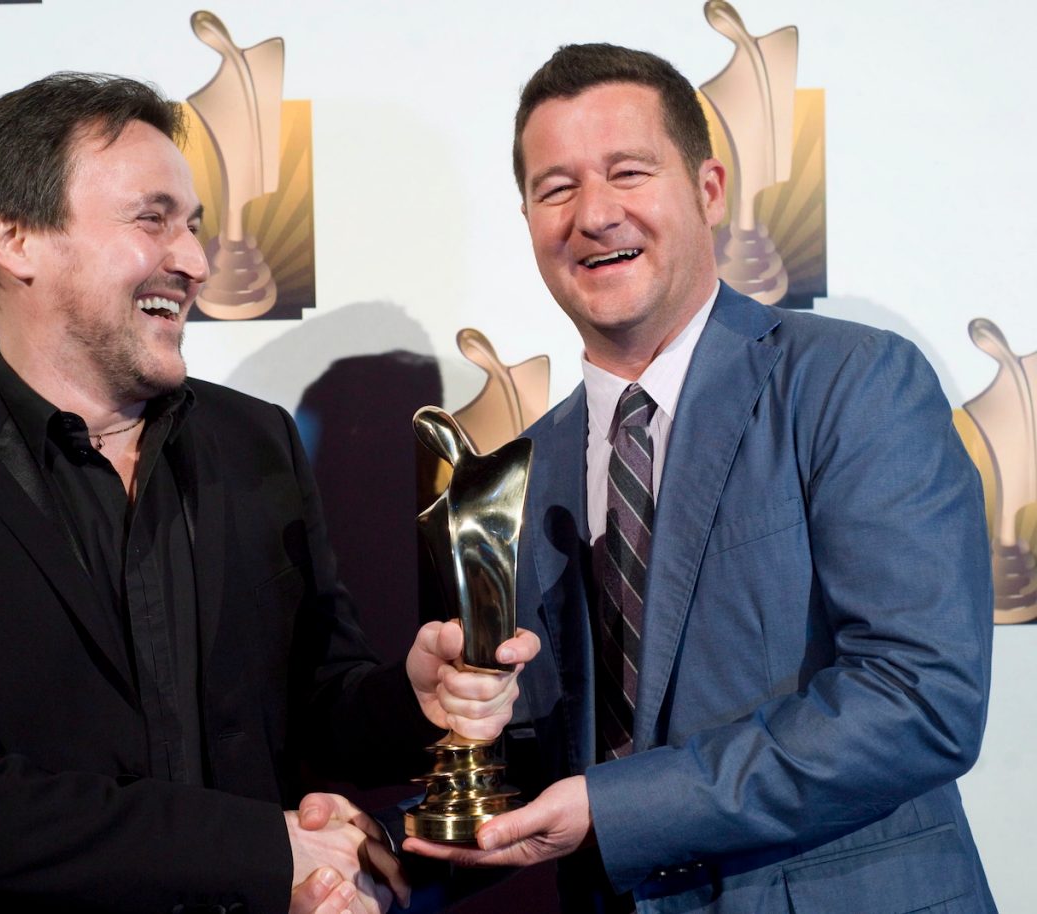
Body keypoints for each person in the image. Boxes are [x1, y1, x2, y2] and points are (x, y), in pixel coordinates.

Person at [0, 72, 538, 914]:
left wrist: (413, 696)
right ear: (14, 238)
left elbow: (320, 703)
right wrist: (261, 850)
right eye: (152, 220)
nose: (192, 262)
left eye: (193, 227)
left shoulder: (256, 442)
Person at [405, 43, 997, 913]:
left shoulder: (852, 382)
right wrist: (460, 713)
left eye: (628, 172)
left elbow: (920, 697)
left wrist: (616, 809)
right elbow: (562, 761)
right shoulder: (524, 472)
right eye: (555, 188)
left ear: (709, 190)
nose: (594, 214)